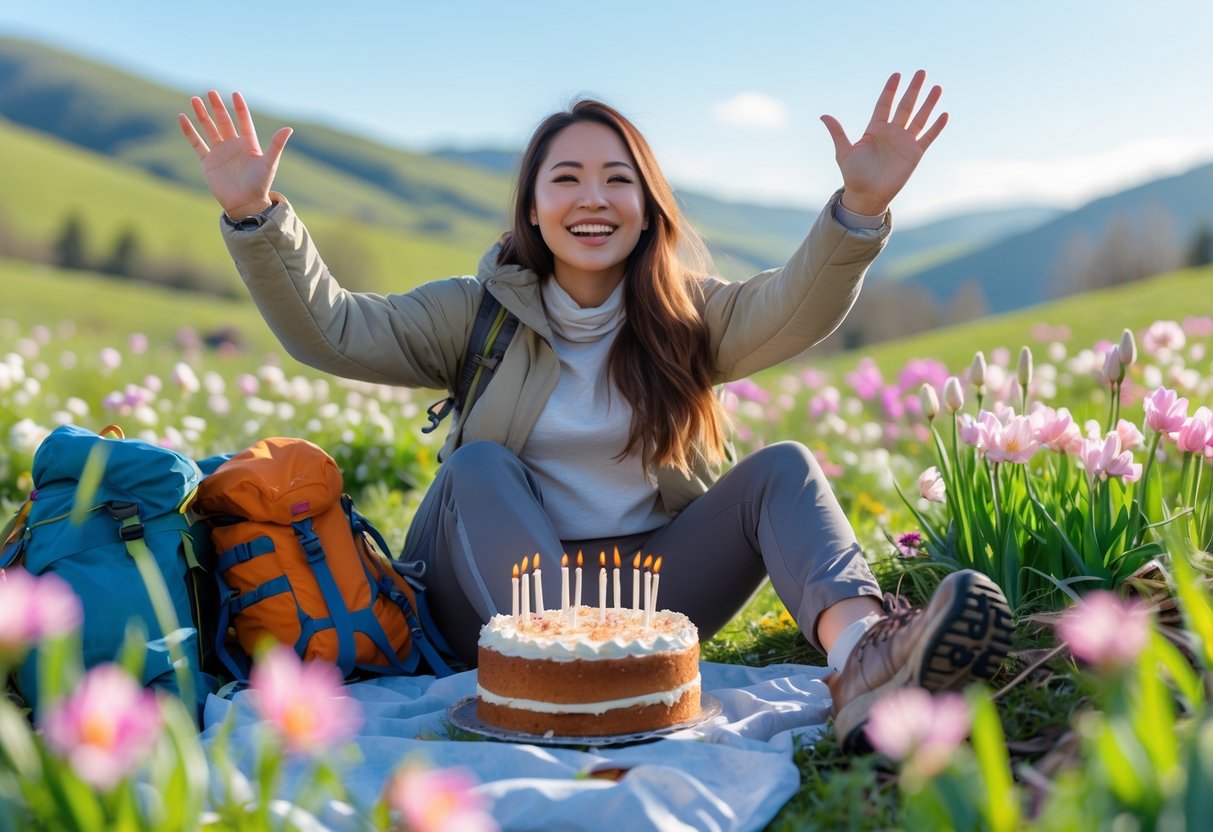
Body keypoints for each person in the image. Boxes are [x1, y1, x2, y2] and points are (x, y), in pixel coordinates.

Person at [179, 72, 1011, 752]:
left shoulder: (688, 316)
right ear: (533, 209)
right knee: (479, 464)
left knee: (782, 469)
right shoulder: (474, 314)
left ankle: (864, 659)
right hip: (488, 603)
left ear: (647, 208)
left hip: (645, 591)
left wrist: (856, 213)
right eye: (566, 178)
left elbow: (792, 309)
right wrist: (257, 221)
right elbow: (334, 332)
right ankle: (557, 673)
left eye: (618, 179)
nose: (593, 197)